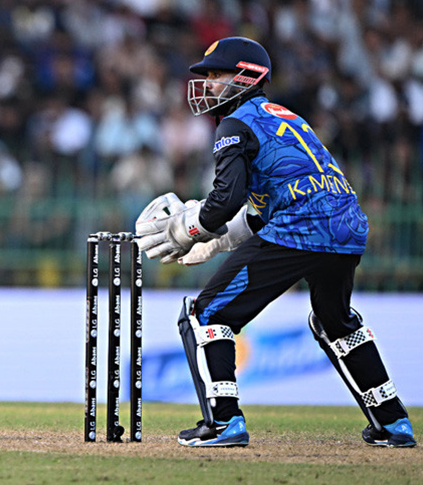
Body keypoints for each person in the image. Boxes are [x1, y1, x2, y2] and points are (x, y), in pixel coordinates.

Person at [135, 37, 415, 448]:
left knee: (205, 314)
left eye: (217, 75)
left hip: (301, 226)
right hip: (347, 225)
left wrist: (188, 228)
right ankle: (393, 422)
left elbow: (225, 201)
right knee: (334, 321)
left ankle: (224, 422)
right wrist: (217, 243)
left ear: (247, 77)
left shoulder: (234, 125)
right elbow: (275, 198)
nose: (208, 84)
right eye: (207, 76)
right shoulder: (283, 116)